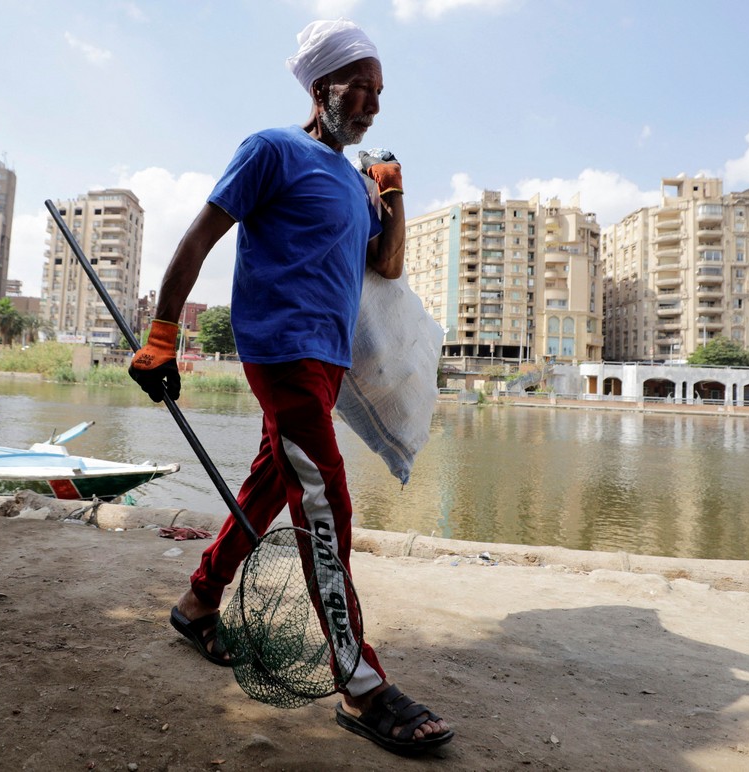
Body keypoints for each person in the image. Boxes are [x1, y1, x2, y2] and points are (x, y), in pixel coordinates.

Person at [127, 18, 453, 757]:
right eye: (357, 87)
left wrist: (393, 194)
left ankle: (198, 601)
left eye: (378, 92)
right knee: (326, 498)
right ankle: (362, 686)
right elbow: (200, 235)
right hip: (282, 352)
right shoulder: (273, 149)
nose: (370, 104)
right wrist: (163, 333)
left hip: (329, 360)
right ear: (320, 87)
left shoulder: (354, 182)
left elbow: (391, 268)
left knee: (275, 480)